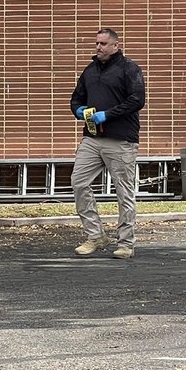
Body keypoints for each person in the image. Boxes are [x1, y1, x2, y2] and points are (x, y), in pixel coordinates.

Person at [69, 28, 146, 258]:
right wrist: (79, 110)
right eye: (96, 43)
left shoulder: (129, 69)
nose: (98, 47)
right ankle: (95, 235)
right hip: (93, 139)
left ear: (116, 45)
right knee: (78, 182)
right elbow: (76, 98)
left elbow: (137, 100)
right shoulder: (90, 70)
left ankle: (126, 244)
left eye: (103, 43)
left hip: (121, 140)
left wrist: (108, 114)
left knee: (124, 192)